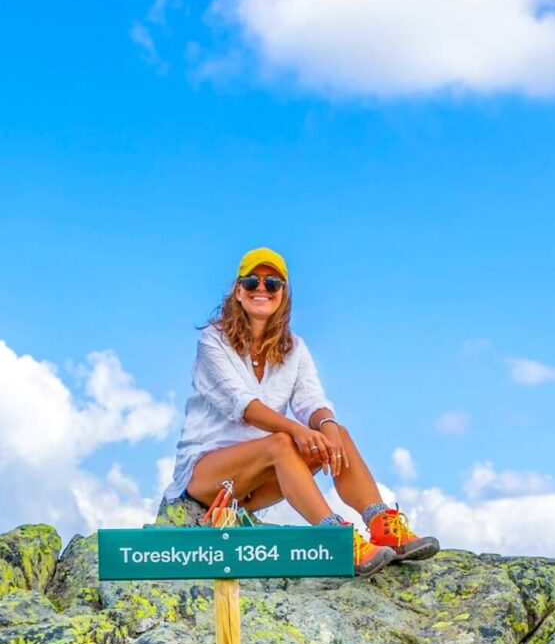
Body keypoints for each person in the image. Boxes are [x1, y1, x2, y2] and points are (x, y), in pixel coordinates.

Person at [159, 247, 439, 577]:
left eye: (272, 284)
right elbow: (243, 405)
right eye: (252, 282)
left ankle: (382, 524)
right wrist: (297, 430)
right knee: (280, 442)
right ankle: (336, 537)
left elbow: (311, 400)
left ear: (284, 294)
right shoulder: (213, 341)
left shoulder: (295, 348)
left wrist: (327, 426)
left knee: (337, 434)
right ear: (238, 292)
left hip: (253, 487)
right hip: (206, 479)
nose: (261, 289)